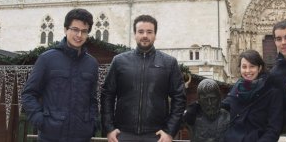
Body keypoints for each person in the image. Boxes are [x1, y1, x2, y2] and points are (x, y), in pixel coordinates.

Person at [101, 14, 186, 142]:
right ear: (135, 34)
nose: (145, 35)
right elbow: (107, 95)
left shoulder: (169, 63)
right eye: (141, 31)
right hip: (123, 134)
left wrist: (170, 131)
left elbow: (179, 98)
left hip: (156, 135)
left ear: (155, 35)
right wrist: (109, 128)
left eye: (149, 32)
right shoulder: (119, 61)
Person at [22, 8, 99, 142]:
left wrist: (92, 124)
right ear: (65, 29)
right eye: (75, 29)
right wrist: (41, 121)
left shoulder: (91, 63)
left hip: (81, 136)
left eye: (84, 31)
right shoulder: (47, 59)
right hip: (51, 136)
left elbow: (92, 100)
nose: (79, 35)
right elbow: (29, 94)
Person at [222, 49, 283, 141]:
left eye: (252, 66)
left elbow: (274, 129)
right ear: (240, 68)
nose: (247, 71)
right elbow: (219, 106)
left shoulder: (272, 93)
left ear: (260, 68)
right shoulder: (236, 89)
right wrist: (197, 107)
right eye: (244, 67)